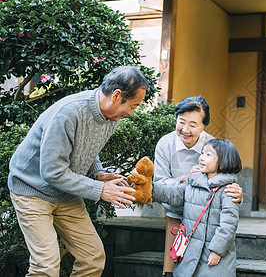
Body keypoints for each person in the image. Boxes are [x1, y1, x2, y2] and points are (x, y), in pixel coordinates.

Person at [8, 66, 150, 276]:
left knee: (92, 257)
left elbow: (88, 148)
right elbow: (52, 172)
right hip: (32, 189)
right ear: (116, 95)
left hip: (65, 193)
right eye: (133, 105)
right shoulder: (68, 113)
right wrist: (99, 189)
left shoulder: (111, 117)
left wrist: (98, 172)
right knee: (46, 266)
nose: (131, 112)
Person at [153, 95, 244, 277]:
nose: (185, 130)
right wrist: (185, 181)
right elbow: (161, 183)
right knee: (175, 263)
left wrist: (237, 194)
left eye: (193, 125)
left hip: (207, 212)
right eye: (181, 122)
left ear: (203, 126)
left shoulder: (213, 147)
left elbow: (225, 180)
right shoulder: (165, 143)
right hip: (177, 208)